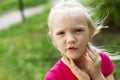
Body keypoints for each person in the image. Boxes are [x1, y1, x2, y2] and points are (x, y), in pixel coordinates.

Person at [44, 0, 115, 80]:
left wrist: (97, 75)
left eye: (78, 30)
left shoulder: (103, 60)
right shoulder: (53, 77)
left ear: (90, 32)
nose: (70, 39)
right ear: (53, 39)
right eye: (61, 33)